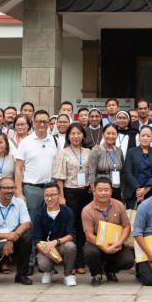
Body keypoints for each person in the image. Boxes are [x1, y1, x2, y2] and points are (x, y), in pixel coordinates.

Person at [52, 122, 92, 274]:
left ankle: (81, 263)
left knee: (83, 228)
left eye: (79, 133)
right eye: (73, 133)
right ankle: (71, 263)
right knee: (70, 228)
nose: (76, 136)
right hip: (69, 193)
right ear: (68, 136)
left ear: (83, 135)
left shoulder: (88, 152)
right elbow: (59, 177)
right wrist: (61, 195)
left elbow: (91, 174)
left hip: (86, 193)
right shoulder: (63, 153)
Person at [82, 176, 134, 286]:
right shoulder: (87, 210)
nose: (103, 193)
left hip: (115, 241)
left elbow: (126, 226)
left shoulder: (119, 205)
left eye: (106, 190)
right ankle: (97, 274)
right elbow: (89, 235)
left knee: (129, 260)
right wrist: (105, 248)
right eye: (100, 190)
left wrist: (119, 243)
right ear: (94, 191)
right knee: (89, 252)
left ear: (111, 191)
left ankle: (109, 270)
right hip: (96, 242)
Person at [15, 110, 60, 219]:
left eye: (45, 122)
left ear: (49, 123)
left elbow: (59, 167)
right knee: (32, 221)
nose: (42, 124)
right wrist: (19, 193)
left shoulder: (55, 141)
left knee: (50, 220)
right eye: (39, 121)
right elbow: (18, 169)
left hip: (51, 189)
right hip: (31, 190)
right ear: (33, 123)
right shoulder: (25, 142)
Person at [32, 184, 77, 286]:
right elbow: (37, 240)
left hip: (61, 245)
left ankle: (68, 275)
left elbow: (71, 235)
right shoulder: (39, 214)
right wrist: (48, 252)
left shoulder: (67, 211)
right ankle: (49, 271)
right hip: (46, 248)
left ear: (59, 195)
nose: (49, 198)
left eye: (52, 195)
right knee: (43, 264)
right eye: (46, 196)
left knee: (71, 246)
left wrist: (56, 241)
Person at [124, 126, 152, 209]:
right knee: (132, 219)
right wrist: (138, 190)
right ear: (139, 137)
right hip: (133, 192)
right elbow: (128, 172)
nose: (145, 138)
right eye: (143, 135)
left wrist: (146, 190)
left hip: (151, 192)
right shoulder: (131, 152)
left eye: (148, 136)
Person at [88, 124, 126, 200]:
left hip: (116, 188)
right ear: (103, 134)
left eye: (113, 133)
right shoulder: (96, 150)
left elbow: (122, 173)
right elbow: (91, 173)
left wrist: (122, 191)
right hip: (101, 190)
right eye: (108, 133)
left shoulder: (119, 151)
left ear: (117, 135)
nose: (111, 136)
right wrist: (94, 192)